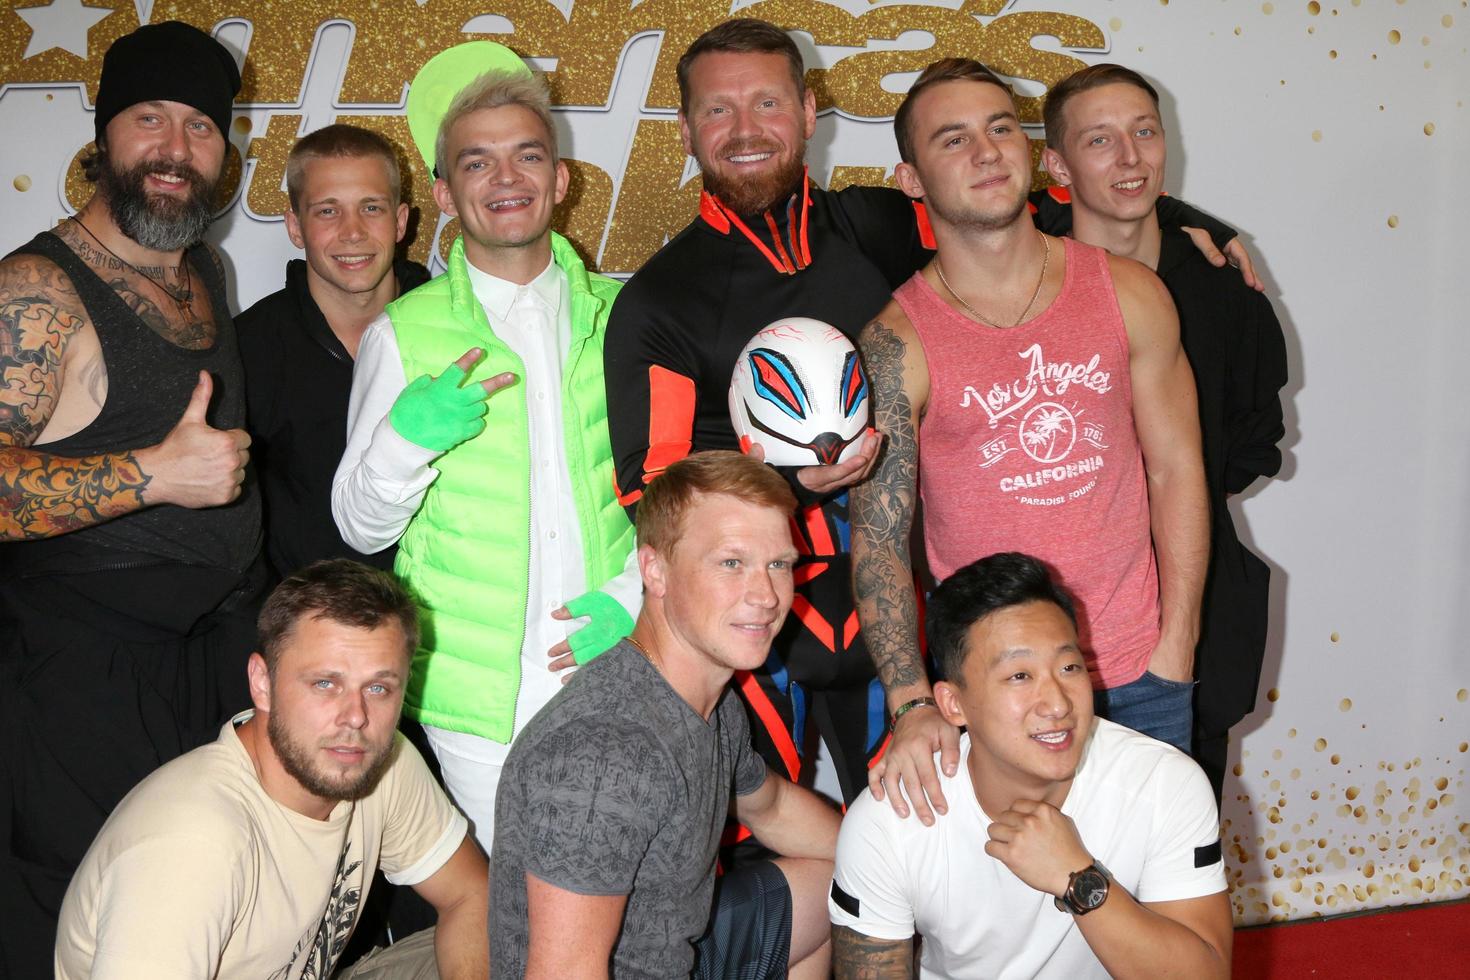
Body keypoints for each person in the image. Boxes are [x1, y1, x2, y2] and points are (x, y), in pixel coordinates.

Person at [604, 18, 1250, 807]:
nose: (746, 130)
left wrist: (1196, 231)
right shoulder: (661, 300)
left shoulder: (875, 226)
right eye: (718, 110)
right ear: (685, 129)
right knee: (800, 861)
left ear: (810, 112)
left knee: (1103, 895)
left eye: (768, 102)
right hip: (772, 637)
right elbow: (655, 492)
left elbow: (1020, 200)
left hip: (941, 642)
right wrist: (787, 482)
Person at [850, 58, 1209, 827]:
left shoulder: (1129, 293)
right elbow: (879, 543)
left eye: (1001, 127)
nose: (986, 151)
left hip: (1138, 672)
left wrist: (1175, 646)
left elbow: (1178, 470)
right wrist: (914, 700)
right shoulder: (895, 343)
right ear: (911, 180)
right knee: (1012, 929)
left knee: (1157, 926)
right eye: (954, 139)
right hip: (994, 691)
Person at [0, 21, 262, 974]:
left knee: (188, 916)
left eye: (200, 126)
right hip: (84, 672)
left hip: (211, 658)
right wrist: (156, 475)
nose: (175, 149)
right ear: (105, 134)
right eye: (149, 119)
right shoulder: (37, 286)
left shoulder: (207, 274)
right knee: (71, 920)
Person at [331, 42, 638, 853]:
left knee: (632, 909)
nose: (506, 179)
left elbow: (682, 497)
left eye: (527, 155)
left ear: (561, 178)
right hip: (478, 701)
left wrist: (638, 604)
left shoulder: (628, 316)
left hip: (617, 662)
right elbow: (360, 528)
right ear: (443, 192)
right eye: (478, 162)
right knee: (527, 920)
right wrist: (404, 439)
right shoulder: (401, 332)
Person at [490, 451, 839, 979]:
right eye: (731, 563)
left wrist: (902, 863)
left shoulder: (710, 700)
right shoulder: (606, 755)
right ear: (655, 569)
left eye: (778, 564)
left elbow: (772, 808)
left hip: (681, 949)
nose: (766, 595)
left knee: (837, 880)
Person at [1040, 63, 1288, 802]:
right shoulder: (1018, 274)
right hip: (1051, 610)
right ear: (1056, 165)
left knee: (1181, 861)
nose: (1130, 158)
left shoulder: (1222, 289)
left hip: (1193, 618)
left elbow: (1251, 441)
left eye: (1145, 132)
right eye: (1100, 140)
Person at [55, 559, 489, 979]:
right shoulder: (191, 845)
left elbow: (471, 894)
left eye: (378, 687)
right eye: (325, 683)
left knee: (531, 929)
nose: (356, 716)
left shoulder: (377, 760)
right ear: (262, 683)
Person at [829, 552, 1231, 978]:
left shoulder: (1164, 783)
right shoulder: (891, 819)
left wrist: (1078, 880)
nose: (1058, 703)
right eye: (1019, 676)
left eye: (1070, 666)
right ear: (953, 703)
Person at [238, 123, 430, 580]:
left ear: (401, 221)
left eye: (371, 207)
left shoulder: (454, 331)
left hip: (441, 621)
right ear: (295, 226)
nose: (352, 232)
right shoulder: (248, 348)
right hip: (307, 627)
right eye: (328, 211)